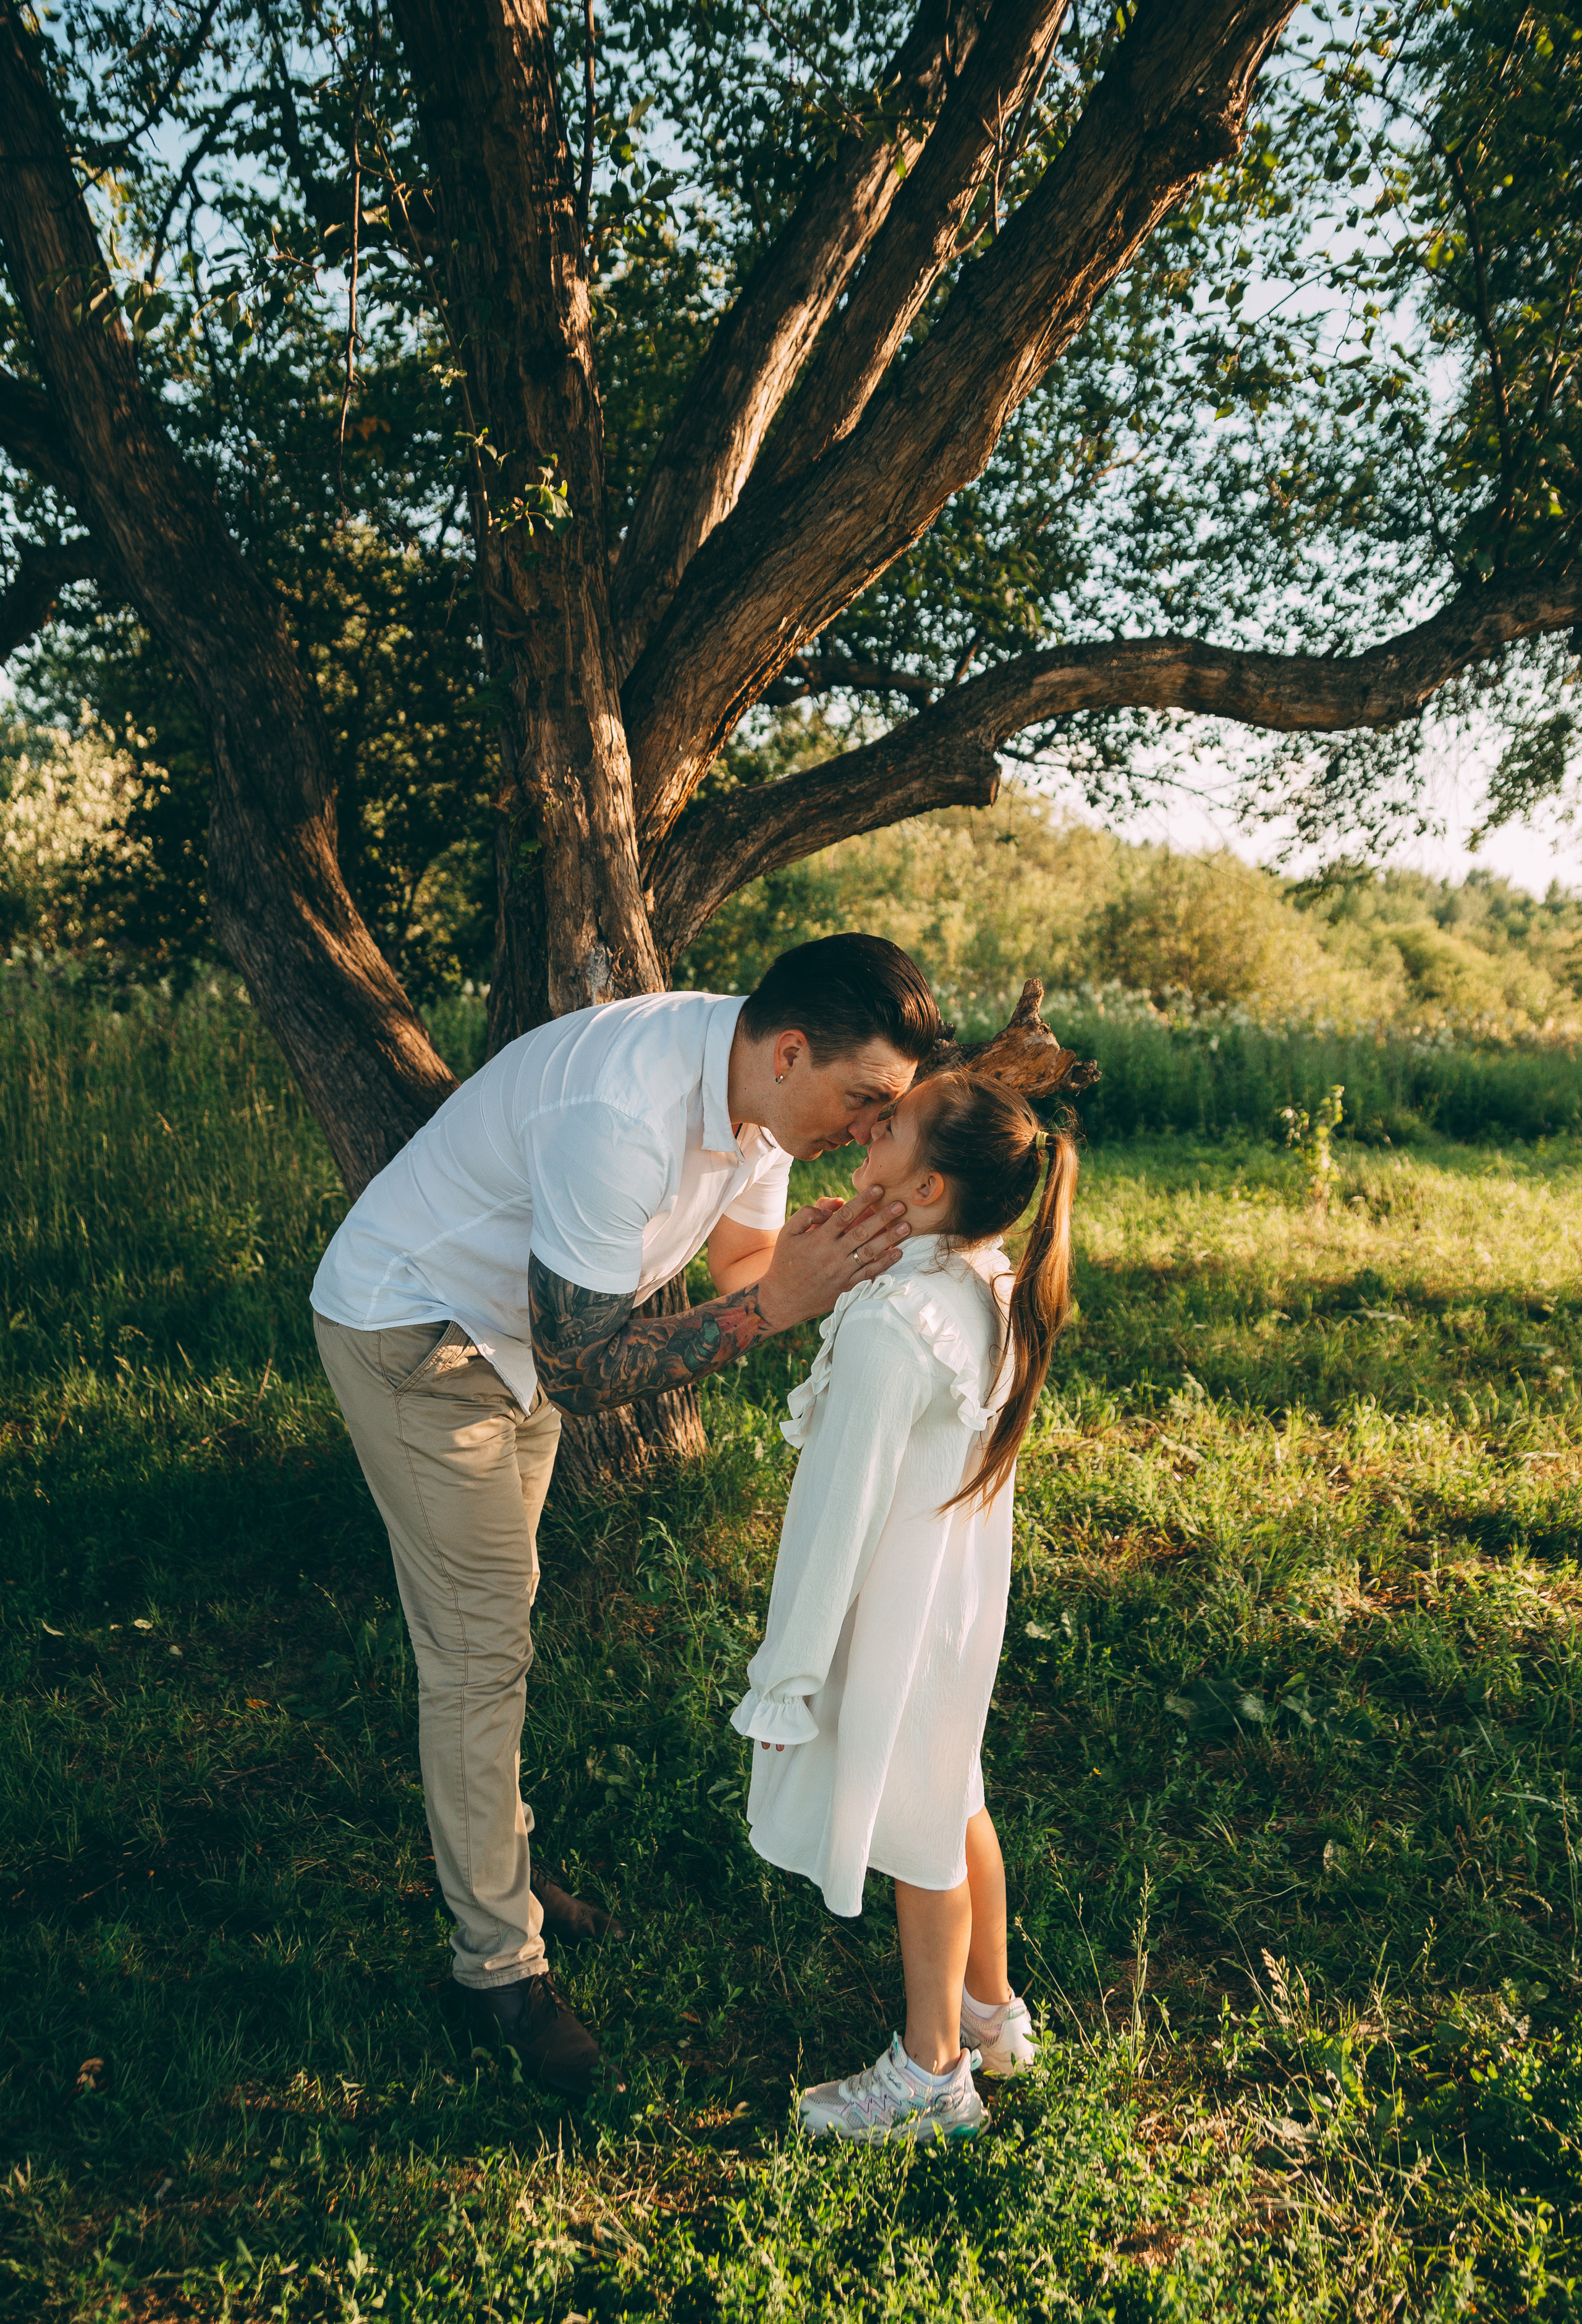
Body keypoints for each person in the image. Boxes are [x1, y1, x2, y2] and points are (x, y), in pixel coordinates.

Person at [310, 934, 945, 2097]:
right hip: (418, 1333)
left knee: (501, 1624)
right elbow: (591, 1371)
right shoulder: (628, 1113)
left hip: (525, 1341)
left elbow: (746, 1259)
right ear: (794, 1050)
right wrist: (776, 1313)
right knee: (477, 1650)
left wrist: (815, 1274)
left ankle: (494, 1860)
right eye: (865, 1101)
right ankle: (495, 1966)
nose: (867, 1131)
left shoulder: (759, 1099)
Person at [730, 1067, 1080, 2142]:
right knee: (955, 1788)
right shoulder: (983, 1280)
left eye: (891, 1130)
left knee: (922, 1831)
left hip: (895, 1613)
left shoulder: (897, 1325)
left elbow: (834, 1518)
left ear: (929, 1190)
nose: (869, 1131)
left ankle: (932, 2073)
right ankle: (992, 2010)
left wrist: (786, 1676)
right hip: (954, 1607)